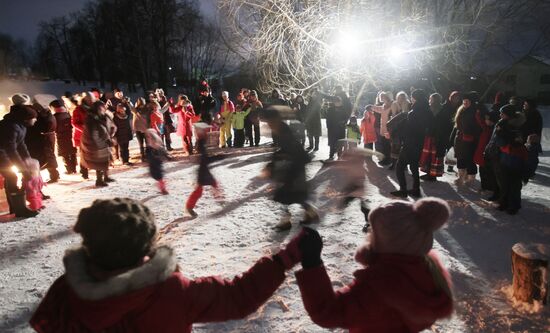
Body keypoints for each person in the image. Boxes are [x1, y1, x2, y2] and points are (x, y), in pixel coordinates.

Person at [30, 197, 310, 332]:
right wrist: (283, 259)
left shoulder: (66, 290)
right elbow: (236, 297)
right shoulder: (169, 292)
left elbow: (44, 322)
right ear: (145, 249)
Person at [294, 198, 453, 332]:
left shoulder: (379, 285)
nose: (368, 234)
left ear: (389, 241)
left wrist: (312, 263)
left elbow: (328, 313)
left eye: (373, 231)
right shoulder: (426, 272)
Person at [261, 108, 319, 231]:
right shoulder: (279, 129)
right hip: (293, 166)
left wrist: (272, 163)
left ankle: (289, 221)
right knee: (294, 195)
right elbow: (284, 150)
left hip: (295, 165)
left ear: (275, 120)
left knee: (287, 194)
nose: (269, 124)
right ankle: (310, 214)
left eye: (270, 122)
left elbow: (289, 149)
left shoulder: (283, 130)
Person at [0, 96, 39, 218]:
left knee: (11, 177)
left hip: (4, 152)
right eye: (34, 118)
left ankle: (16, 207)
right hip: (2, 153)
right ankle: (19, 209)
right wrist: (23, 169)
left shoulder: (21, 125)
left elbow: (21, 145)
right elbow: (10, 149)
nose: (35, 121)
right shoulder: (12, 126)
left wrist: (28, 161)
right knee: (11, 177)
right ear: (27, 119)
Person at [391, 89, 432, 198]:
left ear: (416, 98)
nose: (411, 99)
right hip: (419, 143)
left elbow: (408, 129)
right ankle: (416, 190)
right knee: (414, 167)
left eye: (412, 97)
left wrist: (398, 134)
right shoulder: (428, 111)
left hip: (410, 144)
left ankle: (403, 190)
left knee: (399, 167)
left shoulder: (414, 112)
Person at [184, 123, 225, 217]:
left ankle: (220, 200)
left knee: (211, 185)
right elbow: (205, 159)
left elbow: (205, 157)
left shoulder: (202, 141)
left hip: (203, 170)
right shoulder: (201, 143)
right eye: (204, 130)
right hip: (203, 171)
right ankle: (190, 207)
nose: (207, 131)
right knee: (201, 190)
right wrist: (219, 157)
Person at [493, 105, 527, 215]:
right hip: (506, 156)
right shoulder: (504, 124)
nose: (500, 115)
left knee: (513, 183)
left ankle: (513, 205)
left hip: (513, 157)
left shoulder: (512, 126)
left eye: (502, 113)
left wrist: (499, 136)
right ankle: (505, 203)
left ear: (508, 115)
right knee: (505, 182)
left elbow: (501, 142)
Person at [80, 101, 114, 187]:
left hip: (103, 142)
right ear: (96, 109)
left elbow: (107, 126)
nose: (103, 109)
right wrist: (101, 144)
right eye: (101, 108)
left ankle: (106, 177)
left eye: (103, 108)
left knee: (106, 161)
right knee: (100, 163)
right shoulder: (92, 119)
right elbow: (93, 135)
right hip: (96, 144)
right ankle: (99, 181)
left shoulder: (101, 117)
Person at [420, 93, 451, 181]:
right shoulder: (432, 109)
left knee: (433, 156)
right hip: (431, 136)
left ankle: (432, 175)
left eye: (431, 99)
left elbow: (442, 125)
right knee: (429, 155)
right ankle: (429, 173)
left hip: (436, 137)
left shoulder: (441, 110)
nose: (430, 100)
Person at [26, 100, 59, 183]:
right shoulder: (48, 115)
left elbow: (43, 128)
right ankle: (54, 175)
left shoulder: (44, 117)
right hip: (48, 138)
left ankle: (53, 176)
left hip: (45, 139)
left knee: (47, 157)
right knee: (49, 157)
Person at [453, 92, 482, 186]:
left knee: (470, 159)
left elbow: (479, 127)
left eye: (467, 101)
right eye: (464, 101)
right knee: (460, 158)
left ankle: (470, 179)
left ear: (471, 102)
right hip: (460, 138)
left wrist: (471, 134)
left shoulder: (476, 112)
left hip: (470, 140)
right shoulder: (461, 110)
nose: (464, 102)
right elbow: (457, 126)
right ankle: (461, 177)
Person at [50, 100, 77, 174]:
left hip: (61, 137)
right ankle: (74, 168)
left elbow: (54, 128)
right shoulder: (68, 114)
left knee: (65, 154)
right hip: (70, 135)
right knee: (72, 152)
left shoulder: (54, 116)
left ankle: (69, 169)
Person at [72, 93, 95, 179]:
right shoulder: (78, 109)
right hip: (81, 136)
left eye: (91, 100)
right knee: (84, 155)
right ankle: (84, 173)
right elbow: (74, 123)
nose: (90, 101)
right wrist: (85, 128)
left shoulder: (93, 109)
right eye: (89, 99)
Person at [388, 92, 411, 169]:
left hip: (405, 129)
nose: (400, 99)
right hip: (396, 130)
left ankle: (404, 165)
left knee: (404, 148)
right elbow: (391, 117)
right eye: (399, 98)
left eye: (402, 98)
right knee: (394, 147)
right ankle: (393, 164)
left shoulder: (408, 105)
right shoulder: (394, 105)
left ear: (405, 98)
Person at [145, 129, 169, 195]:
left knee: (159, 177)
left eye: (150, 137)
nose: (148, 138)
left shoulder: (157, 146)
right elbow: (148, 155)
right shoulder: (149, 147)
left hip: (157, 164)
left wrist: (165, 156)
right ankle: (162, 187)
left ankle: (163, 189)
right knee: (158, 177)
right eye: (148, 137)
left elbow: (163, 152)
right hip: (153, 164)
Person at [371, 92, 393, 165]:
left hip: (389, 130)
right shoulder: (384, 106)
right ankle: (385, 160)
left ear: (385, 97)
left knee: (388, 146)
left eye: (382, 97)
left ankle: (388, 160)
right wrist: (371, 107)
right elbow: (378, 109)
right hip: (383, 129)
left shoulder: (392, 105)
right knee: (384, 145)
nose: (381, 98)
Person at [443, 91, 462, 173]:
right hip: (446, 129)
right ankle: (446, 163)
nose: (456, 99)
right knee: (447, 147)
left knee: (453, 148)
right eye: (454, 97)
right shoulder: (445, 105)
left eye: (457, 97)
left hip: (455, 129)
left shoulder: (460, 107)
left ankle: (450, 165)